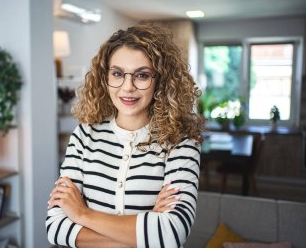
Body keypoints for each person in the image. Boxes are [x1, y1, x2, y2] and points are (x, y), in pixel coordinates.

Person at [46, 22, 203, 248]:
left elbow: (171, 234)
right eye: (117, 73)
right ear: (105, 77)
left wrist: (82, 214)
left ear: (161, 80)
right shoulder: (84, 134)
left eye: (142, 75)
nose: (127, 87)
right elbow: (55, 227)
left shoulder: (180, 141)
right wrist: (142, 233)